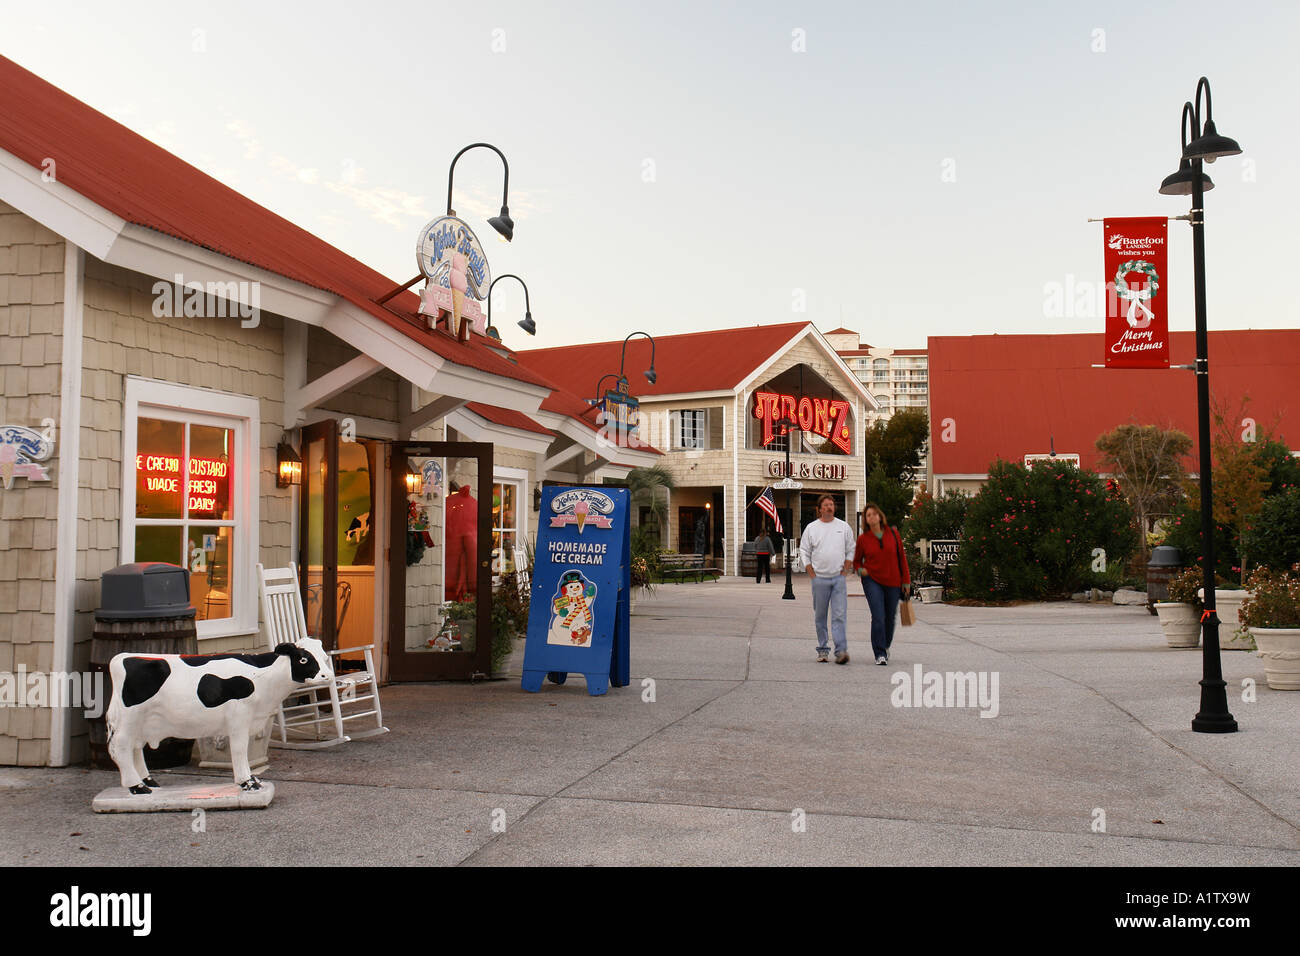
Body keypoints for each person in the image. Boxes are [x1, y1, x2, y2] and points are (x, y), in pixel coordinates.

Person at [852, 502, 911, 665]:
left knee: (890, 617)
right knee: (878, 615)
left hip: (893, 580)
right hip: (872, 580)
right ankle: (879, 653)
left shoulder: (893, 534)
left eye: (874, 514)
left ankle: (885, 646)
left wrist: (906, 582)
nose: (871, 517)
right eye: (868, 515)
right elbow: (856, 562)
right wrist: (860, 570)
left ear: (880, 516)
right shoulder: (863, 539)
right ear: (866, 520)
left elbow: (902, 559)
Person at [799, 494, 856, 664]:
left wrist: (845, 570)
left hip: (838, 579)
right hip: (819, 579)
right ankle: (823, 650)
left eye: (831, 504)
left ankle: (841, 651)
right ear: (819, 509)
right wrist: (811, 573)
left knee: (839, 615)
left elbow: (850, 549)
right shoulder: (811, 528)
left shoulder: (843, 527)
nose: (829, 507)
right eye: (825, 505)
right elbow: (804, 551)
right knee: (820, 616)